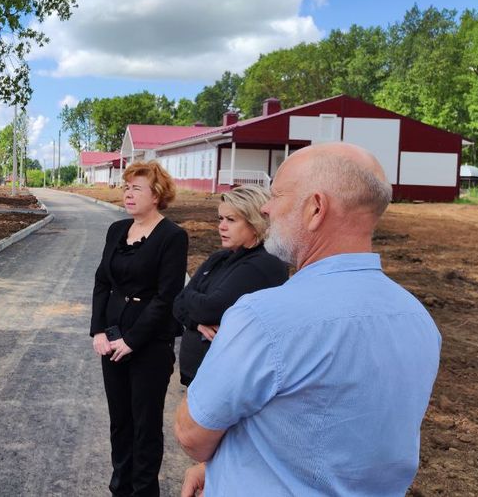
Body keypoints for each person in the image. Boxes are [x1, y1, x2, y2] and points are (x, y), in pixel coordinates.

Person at [174, 142, 441, 497]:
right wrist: (218, 467)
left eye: (277, 195)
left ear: (316, 208)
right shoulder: (417, 318)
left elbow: (192, 435)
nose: (266, 208)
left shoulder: (264, 317)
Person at [91, 161, 189, 497]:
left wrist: (132, 341)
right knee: (120, 422)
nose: (128, 194)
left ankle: (143, 491)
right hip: (113, 337)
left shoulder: (173, 237)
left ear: (157, 195)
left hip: (150, 344)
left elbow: (167, 298)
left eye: (137, 188)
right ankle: (120, 489)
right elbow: (102, 281)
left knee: (145, 426)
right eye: (126, 187)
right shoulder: (116, 230)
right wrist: (99, 331)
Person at [172, 186, 287, 386]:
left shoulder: (263, 263)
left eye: (231, 220)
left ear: (255, 223)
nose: (221, 227)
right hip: (201, 375)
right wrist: (195, 322)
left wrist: (191, 297)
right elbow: (177, 303)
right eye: (220, 219)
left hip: (228, 380)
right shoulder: (221, 257)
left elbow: (209, 309)